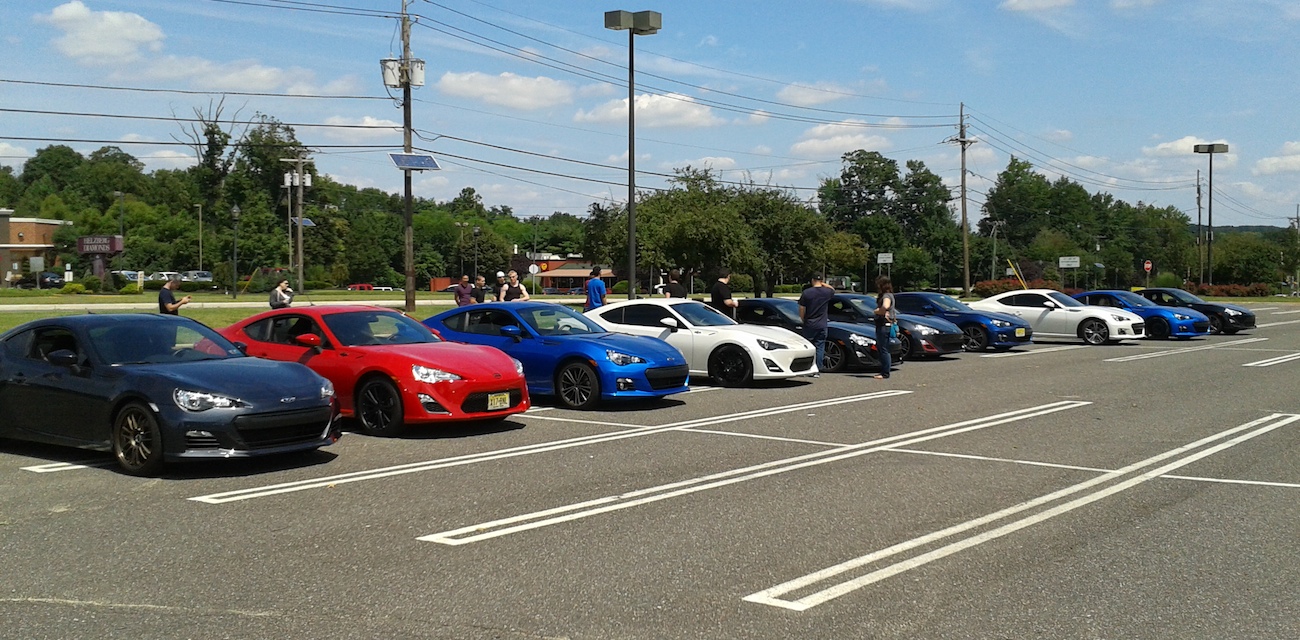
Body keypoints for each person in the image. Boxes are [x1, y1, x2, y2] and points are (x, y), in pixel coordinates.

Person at [798, 274, 835, 378]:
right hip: (822, 324)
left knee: (807, 347)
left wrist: (803, 319)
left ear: (812, 280)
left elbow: (802, 308)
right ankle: (817, 369)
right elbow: (833, 289)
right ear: (822, 281)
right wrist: (823, 284)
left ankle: (806, 368)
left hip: (810, 323)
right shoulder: (827, 292)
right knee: (820, 346)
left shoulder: (807, 292)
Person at [872, 275, 897, 380]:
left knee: (883, 349)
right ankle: (884, 371)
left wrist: (877, 311)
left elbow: (885, 306)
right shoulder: (890, 295)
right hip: (886, 325)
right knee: (884, 348)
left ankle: (885, 372)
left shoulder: (886, 296)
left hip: (883, 325)